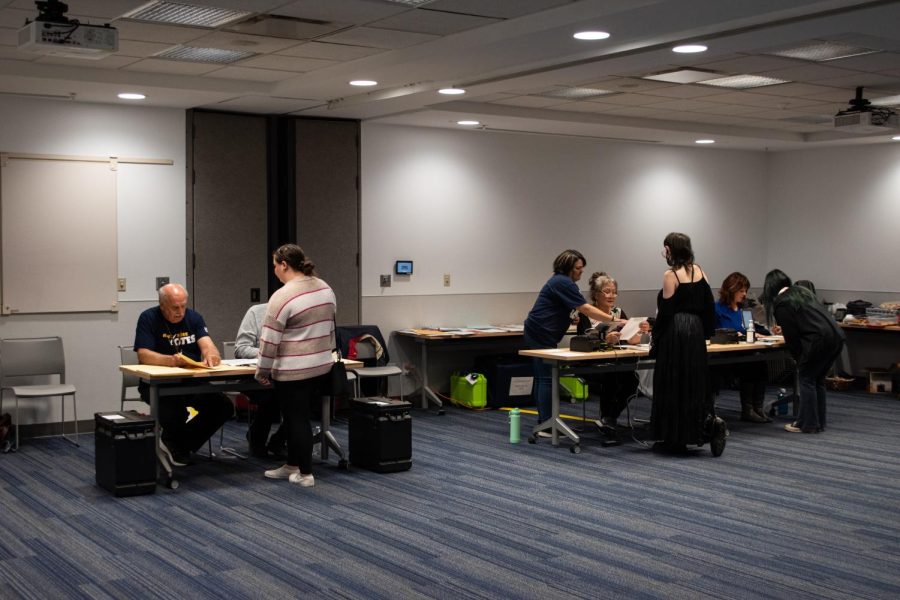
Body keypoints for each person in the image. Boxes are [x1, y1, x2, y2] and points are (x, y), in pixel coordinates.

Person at [256, 244, 336, 487]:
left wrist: (262, 370)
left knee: (297, 419)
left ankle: (305, 473)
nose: (274, 272)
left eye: (274, 266)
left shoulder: (282, 296)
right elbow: (331, 327)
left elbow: (269, 340)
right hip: (322, 366)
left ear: (284, 264)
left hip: (293, 371)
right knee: (294, 419)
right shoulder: (325, 288)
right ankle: (291, 464)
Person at [524, 250, 623, 434]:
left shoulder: (563, 282)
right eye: (578, 268)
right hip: (540, 333)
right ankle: (546, 425)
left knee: (542, 377)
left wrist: (568, 319)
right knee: (546, 378)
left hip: (541, 332)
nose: (581, 272)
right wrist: (613, 320)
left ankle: (544, 421)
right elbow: (585, 308)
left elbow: (560, 306)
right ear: (568, 267)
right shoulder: (562, 282)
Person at [134, 283, 234, 466]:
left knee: (223, 405)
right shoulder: (148, 318)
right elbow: (143, 354)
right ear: (162, 305)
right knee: (175, 411)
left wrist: (212, 354)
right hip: (157, 385)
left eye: (183, 306)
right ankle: (176, 446)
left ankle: (177, 445)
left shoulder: (194, 318)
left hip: (190, 382)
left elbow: (207, 345)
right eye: (175, 307)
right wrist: (171, 361)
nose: (180, 311)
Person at [649, 233, 726, 455]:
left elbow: (666, 311)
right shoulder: (700, 271)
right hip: (696, 331)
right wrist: (706, 334)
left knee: (673, 384)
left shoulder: (670, 275)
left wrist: (656, 337)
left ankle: (673, 438)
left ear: (668, 249)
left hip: (676, 331)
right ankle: (701, 429)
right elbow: (709, 306)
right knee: (693, 383)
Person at [761, 269, 845, 433]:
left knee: (806, 378)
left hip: (818, 340)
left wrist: (799, 360)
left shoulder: (781, 302)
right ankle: (819, 422)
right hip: (836, 336)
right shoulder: (801, 292)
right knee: (818, 380)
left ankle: (807, 424)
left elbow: (792, 338)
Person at [581, 271, 650, 428]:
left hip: (616, 360)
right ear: (596, 294)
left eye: (614, 292)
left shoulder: (618, 313)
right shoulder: (586, 314)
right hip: (590, 363)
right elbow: (581, 342)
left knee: (633, 380)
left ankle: (610, 417)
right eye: (607, 291)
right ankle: (608, 419)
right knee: (611, 376)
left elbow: (632, 340)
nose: (611, 295)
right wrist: (605, 340)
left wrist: (638, 330)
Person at [714, 272, 771, 423]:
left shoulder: (743, 310)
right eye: (741, 291)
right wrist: (736, 334)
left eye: (745, 291)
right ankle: (748, 410)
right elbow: (714, 333)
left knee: (760, 361)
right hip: (725, 356)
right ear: (731, 290)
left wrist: (760, 334)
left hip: (744, 352)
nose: (744, 294)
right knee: (752, 363)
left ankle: (756, 408)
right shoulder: (717, 309)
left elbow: (750, 329)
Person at [235, 304, 286, 459]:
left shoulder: (300, 316)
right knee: (273, 396)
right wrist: (269, 354)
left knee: (303, 397)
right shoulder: (256, 312)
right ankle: (257, 438)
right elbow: (241, 349)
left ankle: (278, 440)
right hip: (255, 375)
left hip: (287, 374)